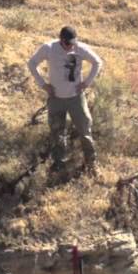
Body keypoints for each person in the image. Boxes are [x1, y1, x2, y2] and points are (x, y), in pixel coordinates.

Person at [26, 26, 104, 172]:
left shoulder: (80, 48)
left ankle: (91, 163)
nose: (71, 46)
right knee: (57, 132)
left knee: (85, 130)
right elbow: (31, 63)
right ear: (61, 40)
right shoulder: (49, 48)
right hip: (56, 99)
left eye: (73, 43)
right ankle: (59, 163)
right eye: (68, 44)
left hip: (76, 98)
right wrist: (43, 85)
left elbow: (97, 62)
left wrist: (86, 83)